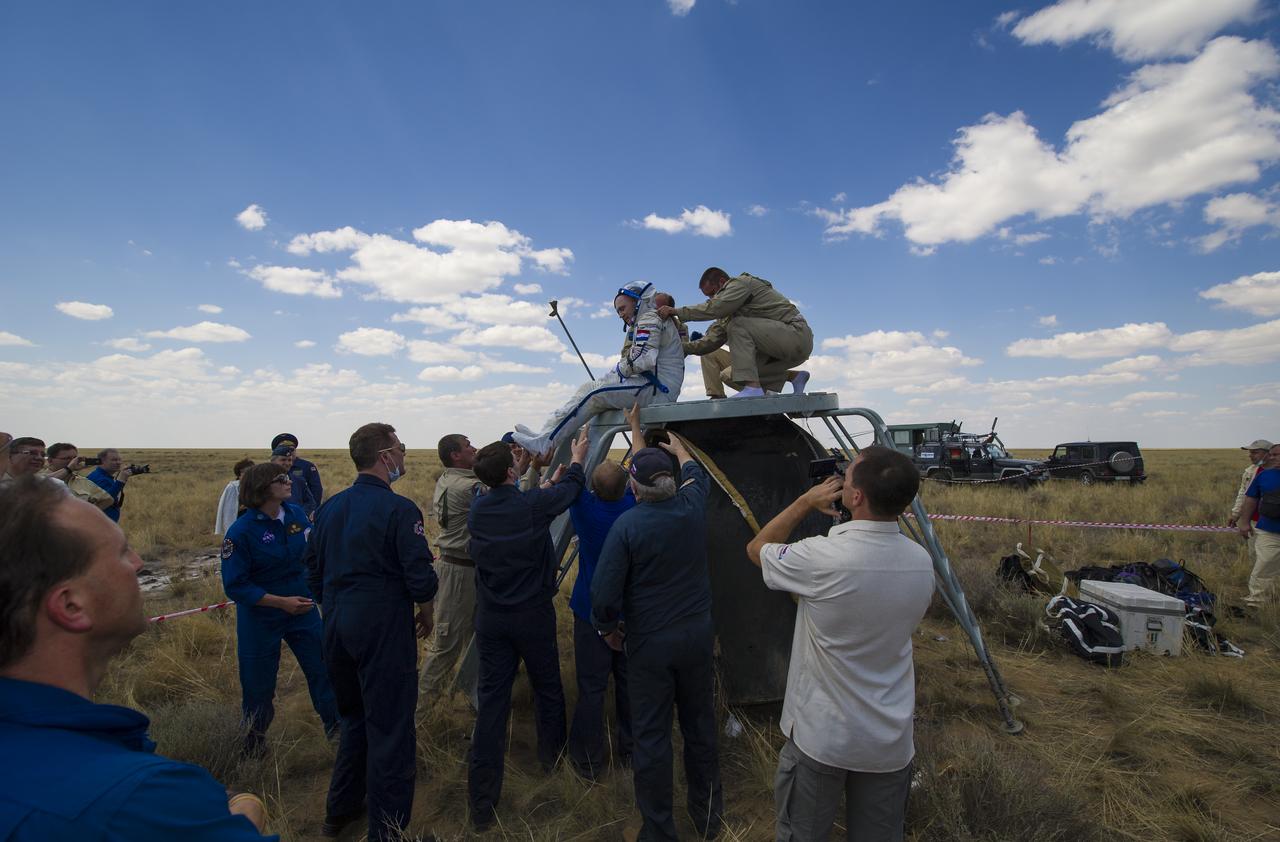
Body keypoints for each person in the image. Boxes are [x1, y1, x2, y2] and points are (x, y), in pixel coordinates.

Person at [0, 477, 275, 840]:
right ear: (71, 605)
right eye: (120, 552)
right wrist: (244, 810)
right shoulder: (135, 803)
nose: (139, 563)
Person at [744, 446, 933, 842]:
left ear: (856, 497)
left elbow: (757, 549)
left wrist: (803, 502)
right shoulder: (921, 561)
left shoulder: (822, 557)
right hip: (888, 742)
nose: (841, 480)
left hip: (823, 736)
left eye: (847, 479)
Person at [303, 423, 438, 842]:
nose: (403, 455)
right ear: (384, 456)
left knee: (355, 719)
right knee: (392, 729)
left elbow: (311, 571)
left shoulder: (328, 509)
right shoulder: (400, 511)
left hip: (336, 625)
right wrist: (427, 608)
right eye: (400, 448)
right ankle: (388, 830)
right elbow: (421, 579)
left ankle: (338, 812)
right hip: (382, 627)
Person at [592, 434, 723, 842]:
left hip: (650, 644)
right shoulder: (692, 507)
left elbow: (603, 594)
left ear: (635, 488)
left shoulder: (627, 526)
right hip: (698, 638)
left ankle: (659, 830)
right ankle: (707, 820)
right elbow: (696, 475)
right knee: (700, 727)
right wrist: (682, 449)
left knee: (652, 736)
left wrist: (606, 629)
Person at [466, 429, 590, 830]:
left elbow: (523, 497)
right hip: (531, 615)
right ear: (508, 471)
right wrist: (577, 457)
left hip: (492, 618)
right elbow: (568, 490)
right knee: (548, 686)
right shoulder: (529, 507)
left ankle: (481, 801)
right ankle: (551, 762)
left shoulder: (478, 508)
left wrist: (524, 471)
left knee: (492, 701)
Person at [221, 463, 339, 755]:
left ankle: (338, 733)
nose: (290, 482)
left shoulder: (296, 515)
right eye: (281, 479)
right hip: (261, 617)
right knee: (258, 684)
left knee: (323, 670)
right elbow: (236, 586)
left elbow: (312, 553)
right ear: (262, 489)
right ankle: (254, 744)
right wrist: (279, 603)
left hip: (303, 608)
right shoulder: (241, 532)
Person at [511, 281, 684, 457]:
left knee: (595, 395)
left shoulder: (649, 319)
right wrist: (612, 375)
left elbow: (642, 360)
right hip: (650, 383)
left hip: (658, 389)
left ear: (638, 301)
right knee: (589, 388)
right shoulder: (645, 321)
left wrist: (616, 373)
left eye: (622, 308)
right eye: (618, 311)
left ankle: (546, 443)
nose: (620, 314)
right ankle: (545, 433)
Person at [565, 410, 640, 781]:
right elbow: (639, 470)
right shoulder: (635, 510)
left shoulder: (584, 509)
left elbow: (574, 479)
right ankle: (630, 753)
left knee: (591, 688)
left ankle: (588, 762)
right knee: (629, 684)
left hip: (589, 610)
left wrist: (579, 453)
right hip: (631, 613)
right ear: (628, 488)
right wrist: (637, 428)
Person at [658, 267, 813, 399]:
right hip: (775, 351)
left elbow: (715, 308)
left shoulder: (740, 283)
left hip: (795, 336)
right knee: (731, 375)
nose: (712, 298)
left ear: (722, 282)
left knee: (737, 325)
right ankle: (794, 377)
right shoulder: (729, 313)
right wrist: (676, 346)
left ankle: (753, 389)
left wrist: (676, 312)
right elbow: (709, 342)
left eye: (713, 293)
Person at [418, 433, 482, 705]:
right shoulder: (469, 486)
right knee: (447, 645)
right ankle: (418, 715)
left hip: (458, 568)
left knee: (472, 640)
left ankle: (470, 698)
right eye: (468, 446)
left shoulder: (449, 477)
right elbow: (507, 494)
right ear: (456, 455)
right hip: (460, 571)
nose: (474, 448)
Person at [1236, 442, 1280, 613]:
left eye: (1277, 455)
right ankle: (1256, 602)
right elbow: (1250, 499)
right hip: (1270, 531)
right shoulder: (1264, 476)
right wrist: (1244, 522)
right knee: (1263, 565)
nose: (1273, 458)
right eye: (1272, 455)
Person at [1229, 439, 1272, 573]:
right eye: (1250, 452)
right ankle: (1259, 589)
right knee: (1254, 556)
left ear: (1268, 453)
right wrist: (1236, 514)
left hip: (1273, 523)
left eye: (1255, 452)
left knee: (1270, 559)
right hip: (1253, 522)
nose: (1250, 455)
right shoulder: (1250, 472)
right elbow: (1243, 494)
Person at [40, 443, 117, 510]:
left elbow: (107, 499)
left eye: (74, 458)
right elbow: (43, 483)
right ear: (50, 461)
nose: (73, 462)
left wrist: (88, 515)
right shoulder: (36, 478)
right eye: (66, 458)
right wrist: (69, 469)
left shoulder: (81, 481)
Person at [271, 433, 323, 517]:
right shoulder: (264, 478)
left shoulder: (300, 477)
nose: (287, 463)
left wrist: (303, 514)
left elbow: (314, 496)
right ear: (273, 460)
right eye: (283, 460)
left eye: (289, 460)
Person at [86, 449, 134, 523]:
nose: (118, 463)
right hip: (100, 524)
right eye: (114, 460)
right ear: (101, 461)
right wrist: (120, 481)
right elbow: (106, 499)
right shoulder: (101, 479)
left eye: (119, 460)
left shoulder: (100, 475)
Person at [216, 458, 256, 535]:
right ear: (239, 474)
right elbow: (229, 512)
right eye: (245, 472)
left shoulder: (255, 486)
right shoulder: (233, 488)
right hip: (238, 523)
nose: (249, 475)